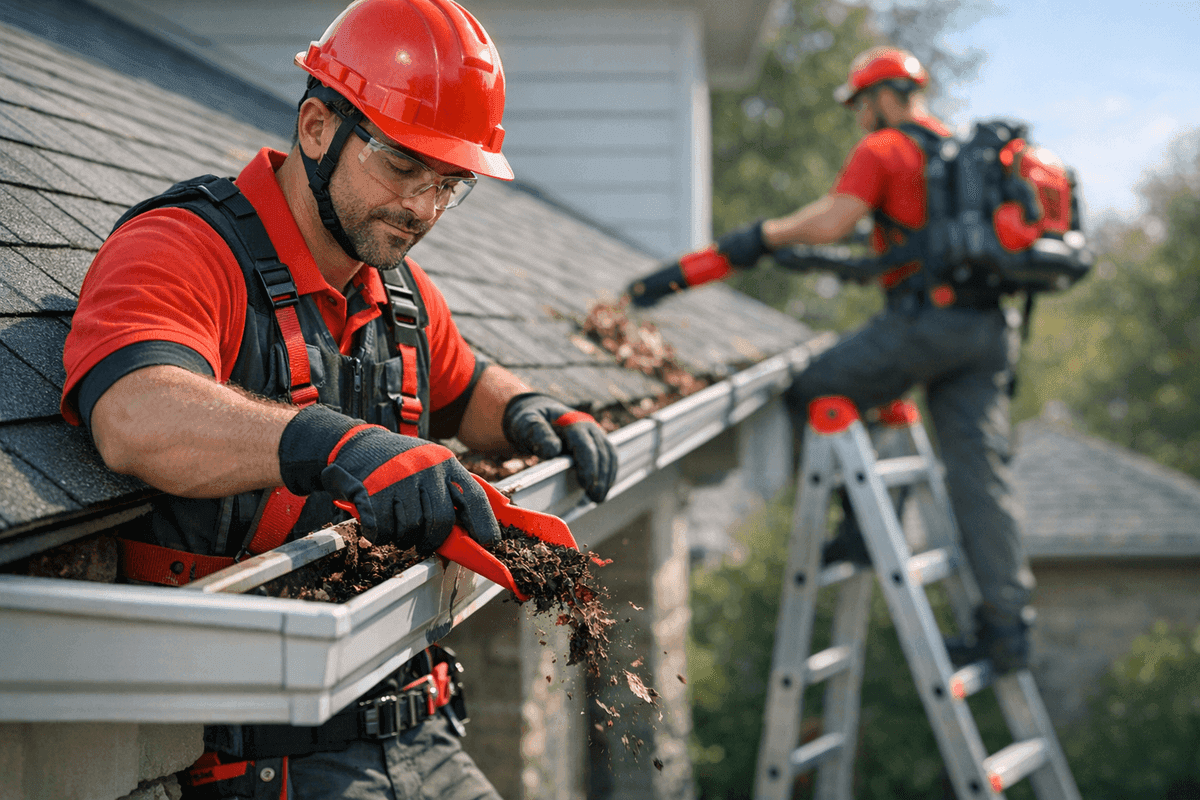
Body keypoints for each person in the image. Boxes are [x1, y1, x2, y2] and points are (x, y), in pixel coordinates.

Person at [59, 0, 618, 797]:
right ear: (317, 127)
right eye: (400, 166)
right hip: (257, 762)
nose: (422, 209)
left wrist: (535, 406)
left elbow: (463, 387)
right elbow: (134, 415)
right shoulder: (181, 249)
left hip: (419, 727)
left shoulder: (398, 292)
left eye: (448, 184)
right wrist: (334, 444)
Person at [640, 46, 1037, 673]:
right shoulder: (962, 156)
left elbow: (835, 219)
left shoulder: (882, 150)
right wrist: (823, 254)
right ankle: (1007, 629)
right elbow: (898, 234)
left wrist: (766, 236)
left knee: (820, 385)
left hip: (925, 325)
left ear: (882, 96)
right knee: (980, 473)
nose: (858, 117)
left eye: (859, 103)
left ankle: (859, 526)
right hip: (988, 332)